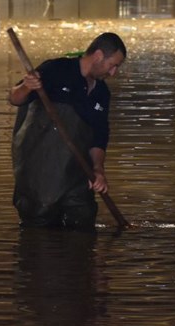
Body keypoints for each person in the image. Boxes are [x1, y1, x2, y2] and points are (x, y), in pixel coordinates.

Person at [8, 32, 127, 228]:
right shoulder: (56, 70)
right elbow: (14, 98)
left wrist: (98, 169)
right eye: (112, 65)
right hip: (40, 177)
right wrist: (26, 87)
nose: (113, 72)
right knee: (39, 233)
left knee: (83, 224)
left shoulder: (101, 93)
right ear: (98, 56)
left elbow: (99, 136)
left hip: (77, 177)